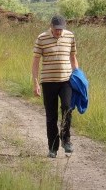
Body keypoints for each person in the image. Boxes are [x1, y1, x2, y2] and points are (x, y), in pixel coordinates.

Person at [32, 15, 79, 158]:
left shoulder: (70, 36)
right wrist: (35, 83)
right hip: (48, 82)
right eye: (56, 29)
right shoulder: (42, 38)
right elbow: (35, 62)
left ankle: (66, 140)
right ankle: (52, 147)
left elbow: (73, 57)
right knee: (51, 116)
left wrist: (78, 76)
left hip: (66, 81)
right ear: (51, 26)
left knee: (67, 108)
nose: (58, 32)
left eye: (61, 29)